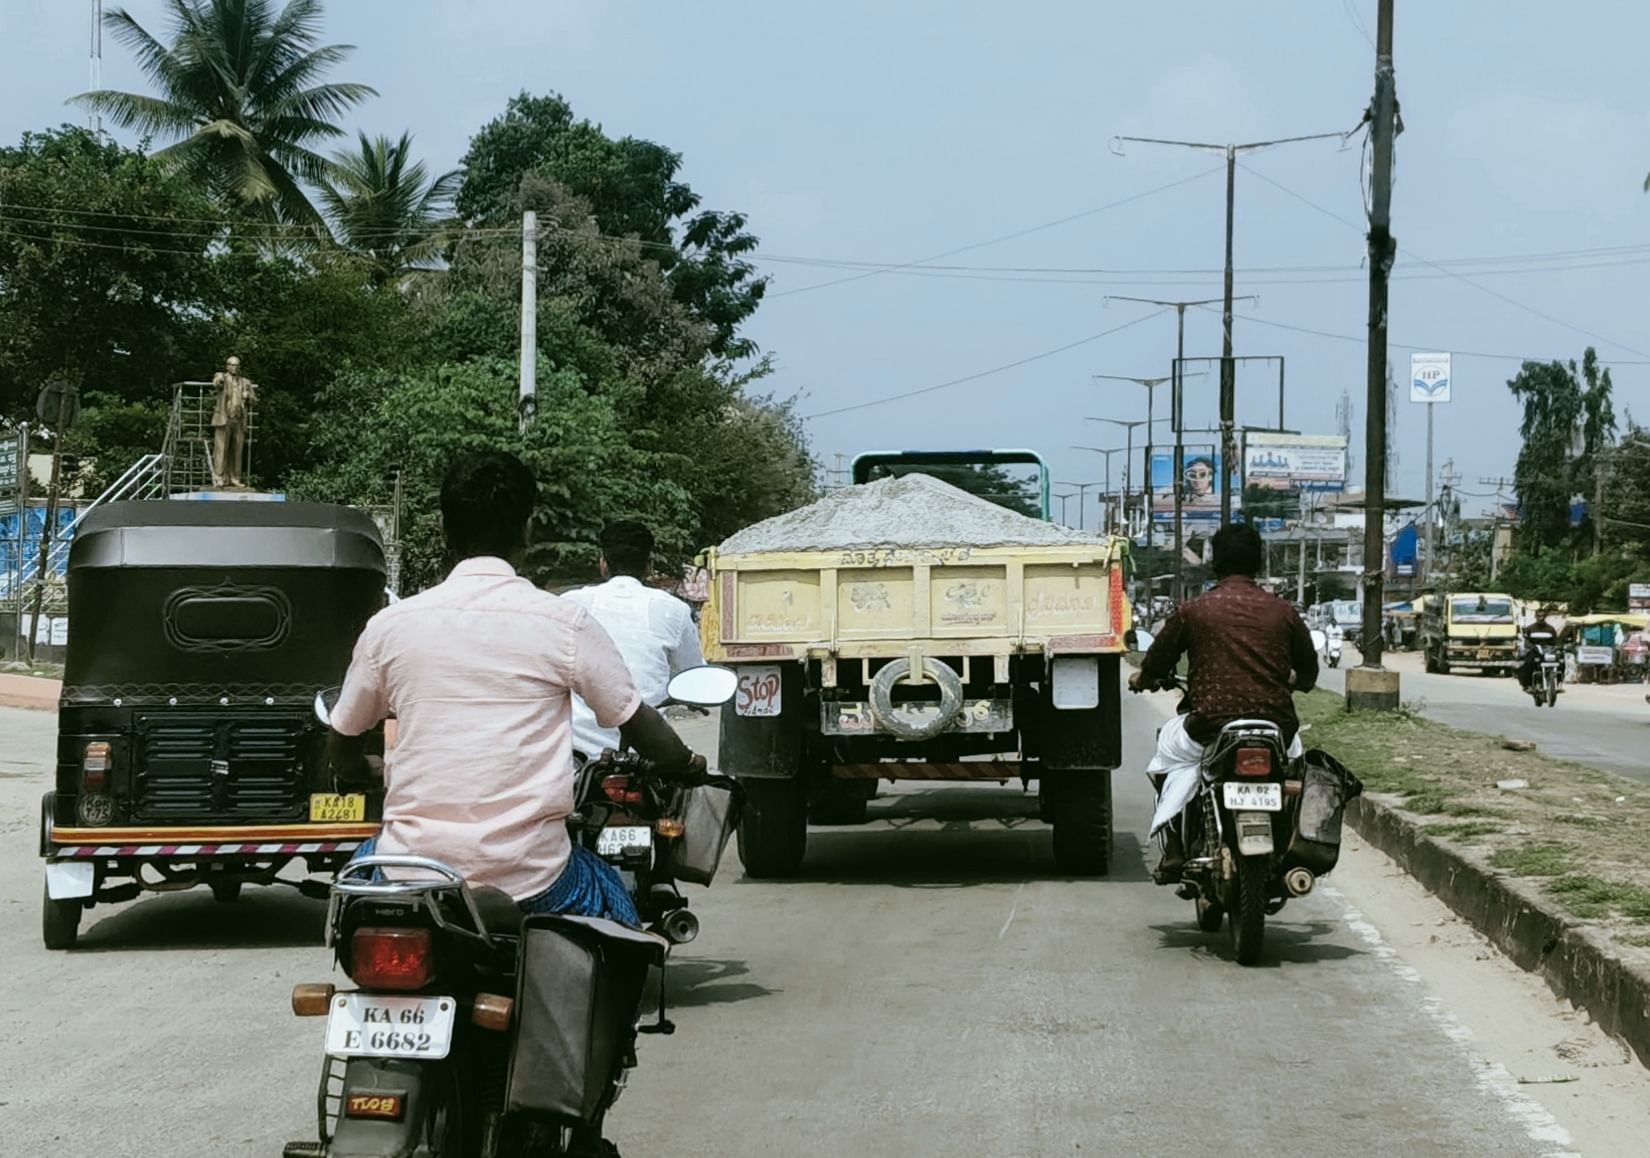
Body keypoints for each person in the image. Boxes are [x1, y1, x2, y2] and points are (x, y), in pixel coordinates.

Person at [327, 451, 700, 925]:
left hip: (411, 872)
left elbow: (341, 739)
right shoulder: (563, 622)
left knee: (353, 900)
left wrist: (364, 767)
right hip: (534, 880)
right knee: (619, 913)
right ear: (527, 531)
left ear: (445, 532)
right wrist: (687, 762)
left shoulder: (390, 627)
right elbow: (639, 723)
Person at [1130, 522, 1319, 881]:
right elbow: (1308, 673)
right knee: (1294, 766)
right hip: (1277, 725)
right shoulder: (1283, 611)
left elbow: (1155, 662)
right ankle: (1292, 841)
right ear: (1259, 563)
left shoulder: (1194, 610)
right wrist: (1291, 679)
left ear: (1215, 562)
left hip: (1210, 725)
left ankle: (1173, 847)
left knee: (1165, 754)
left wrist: (1143, 679)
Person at [563, 520, 705, 760]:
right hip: (648, 751)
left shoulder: (570, 604)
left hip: (577, 756)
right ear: (649, 567)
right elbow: (695, 677)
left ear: (603, 565)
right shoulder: (673, 609)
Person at [1518, 608, 1560, 691]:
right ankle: (1527, 685)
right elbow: (1526, 642)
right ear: (1535, 617)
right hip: (1535, 652)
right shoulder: (1530, 628)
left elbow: (1556, 642)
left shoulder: (1550, 629)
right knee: (1528, 664)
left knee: (1561, 662)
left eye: (1543, 616)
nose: (1541, 618)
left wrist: (1558, 648)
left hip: (1548, 652)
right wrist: (1533, 647)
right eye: (1539, 616)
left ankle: (1557, 681)